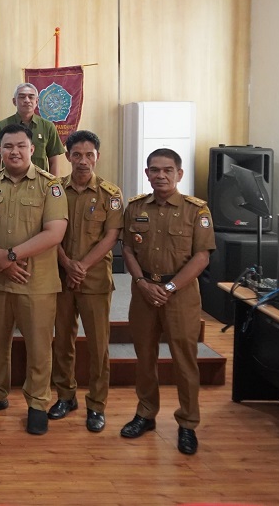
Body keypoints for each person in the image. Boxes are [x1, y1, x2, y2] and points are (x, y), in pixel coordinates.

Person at [0, 123, 68, 435]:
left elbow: (55, 232)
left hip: (36, 282)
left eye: (20, 146)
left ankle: (38, 402)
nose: (14, 151)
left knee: (39, 347)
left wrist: (9, 256)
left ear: (31, 150)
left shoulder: (49, 185)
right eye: (8, 146)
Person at [120, 148, 215, 456]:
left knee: (184, 361)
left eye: (167, 170)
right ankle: (146, 414)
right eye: (154, 170)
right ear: (147, 173)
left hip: (181, 294)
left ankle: (187, 423)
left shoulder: (196, 210)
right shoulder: (135, 207)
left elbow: (202, 256)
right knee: (144, 357)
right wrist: (141, 283)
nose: (160, 175)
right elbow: (129, 251)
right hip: (144, 291)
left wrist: (171, 286)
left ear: (179, 174)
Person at [48, 130, 122, 433]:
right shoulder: (55, 190)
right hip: (61, 277)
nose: (82, 161)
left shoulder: (110, 193)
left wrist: (82, 266)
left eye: (89, 154)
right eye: (76, 155)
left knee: (98, 346)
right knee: (62, 340)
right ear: (67, 156)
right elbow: (49, 231)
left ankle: (96, 405)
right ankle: (66, 396)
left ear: (97, 157)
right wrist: (67, 263)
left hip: (94, 281)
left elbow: (111, 236)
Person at [0, 83, 63, 175]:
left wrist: (52, 186)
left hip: (39, 184)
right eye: (22, 97)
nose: (27, 100)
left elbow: (53, 161)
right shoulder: (1, 126)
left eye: (31, 97)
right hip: (8, 183)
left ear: (37, 101)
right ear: (14, 101)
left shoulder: (48, 127)